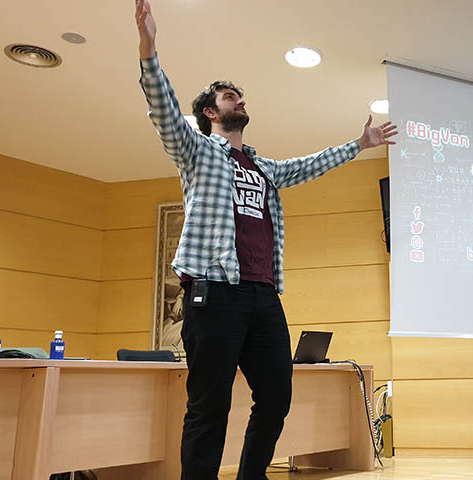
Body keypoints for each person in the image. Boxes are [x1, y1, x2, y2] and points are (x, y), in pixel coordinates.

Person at [134, 1, 397, 478]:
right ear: (211, 112)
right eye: (231, 96)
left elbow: (307, 165)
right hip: (212, 293)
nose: (241, 100)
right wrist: (149, 47)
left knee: (276, 397)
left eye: (241, 96)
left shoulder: (262, 167)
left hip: (262, 297)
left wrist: (359, 145)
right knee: (209, 407)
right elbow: (163, 111)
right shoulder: (196, 152)